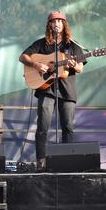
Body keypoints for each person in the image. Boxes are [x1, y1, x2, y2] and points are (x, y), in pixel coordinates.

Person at [19, 11, 87, 171]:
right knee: (42, 127)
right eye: (53, 21)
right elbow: (23, 57)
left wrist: (72, 65)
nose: (56, 24)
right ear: (49, 25)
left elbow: (80, 68)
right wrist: (36, 65)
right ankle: (41, 162)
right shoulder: (42, 44)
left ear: (64, 24)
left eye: (60, 21)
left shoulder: (73, 45)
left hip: (67, 90)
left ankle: (68, 161)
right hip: (46, 89)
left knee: (68, 127)